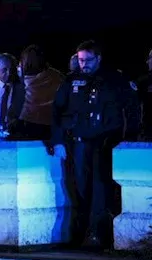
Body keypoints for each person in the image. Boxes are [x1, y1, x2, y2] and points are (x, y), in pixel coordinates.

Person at [50, 40, 135, 249]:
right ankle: (80, 233)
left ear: (98, 58)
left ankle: (98, 234)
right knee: (81, 187)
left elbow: (131, 110)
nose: (84, 64)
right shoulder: (72, 82)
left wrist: (128, 139)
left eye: (88, 60)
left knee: (101, 188)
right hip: (79, 143)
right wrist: (58, 140)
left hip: (105, 142)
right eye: (80, 60)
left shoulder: (114, 80)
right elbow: (58, 112)